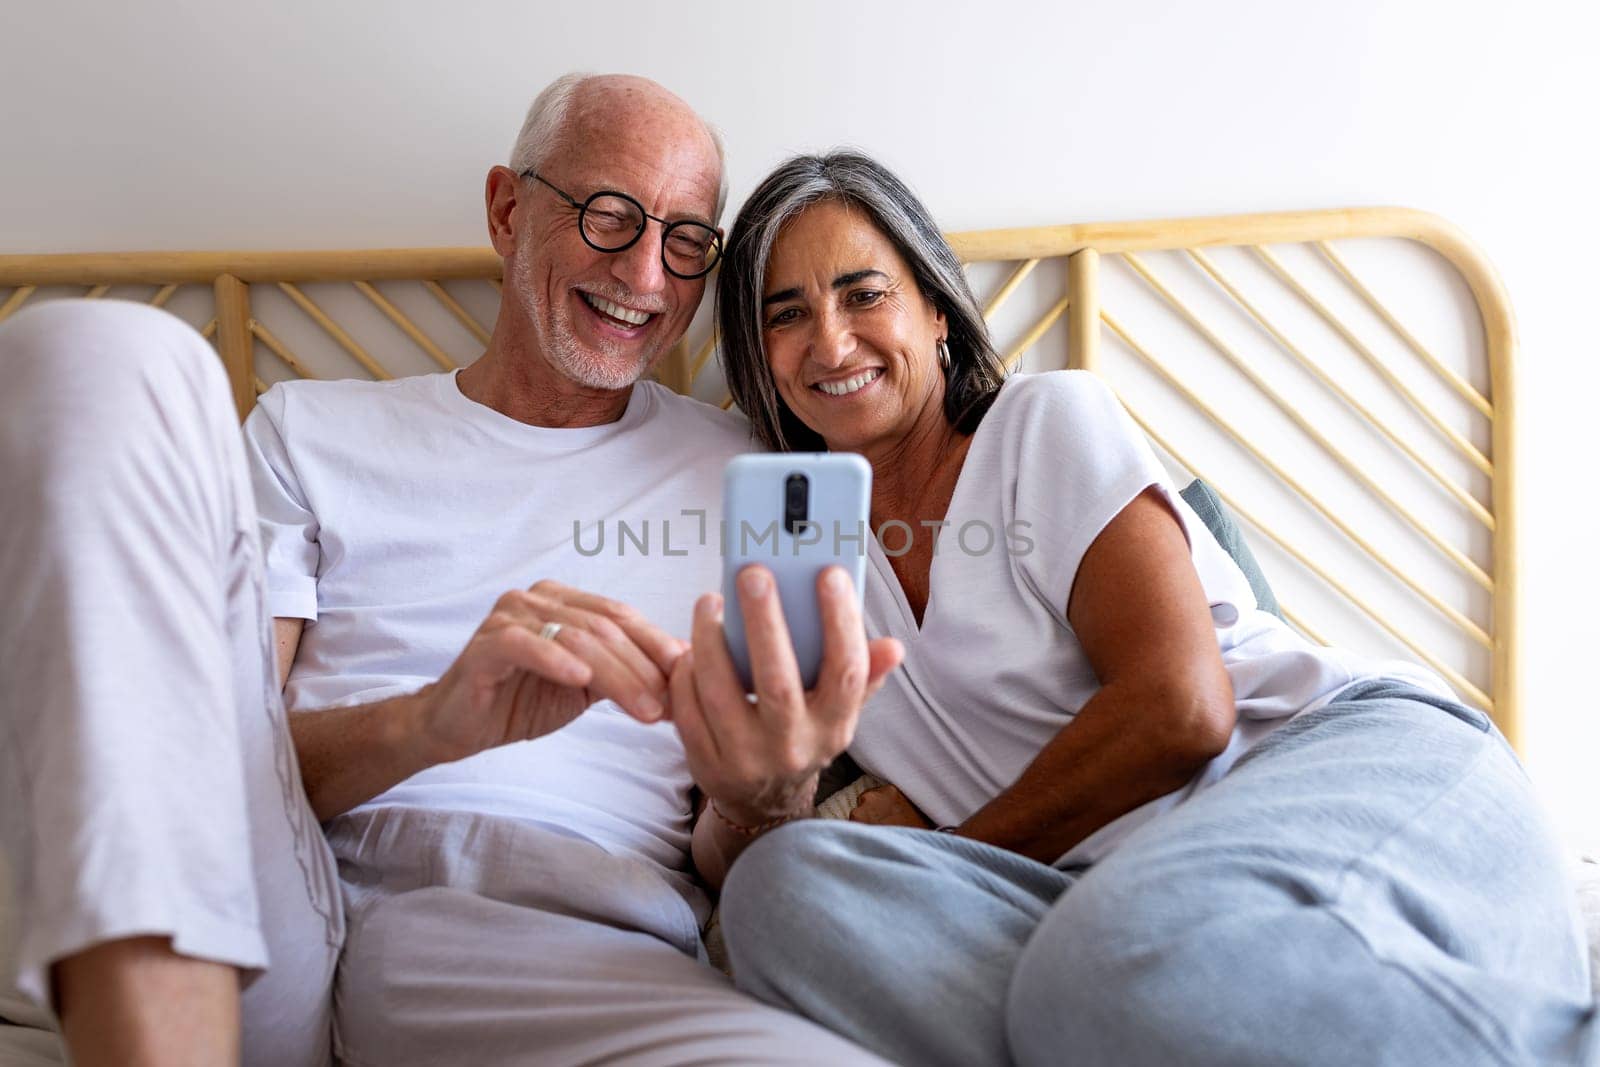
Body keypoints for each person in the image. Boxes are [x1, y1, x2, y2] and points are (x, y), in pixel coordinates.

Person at [0, 77, 900, 1067]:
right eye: (610, 216)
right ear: (507, 211)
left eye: (686, 237)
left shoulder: (750, 480)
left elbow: (726, 848)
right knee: (95, 348)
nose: (647, 274)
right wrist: (429, 722)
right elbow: (195, 754)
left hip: (556, 929)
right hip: (274, 900)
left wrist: (761, 798)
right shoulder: (311, 430)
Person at [696, 150, 1597, 1066]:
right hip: (1092, 894)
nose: (832, 341)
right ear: (759, 355)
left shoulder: (1040, 424)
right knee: (779, 895)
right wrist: (757, 805)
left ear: (934, 309)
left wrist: (955, 849)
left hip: (1318, 764)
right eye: (788, 314)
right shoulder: (798, 547)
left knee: (1103, 964)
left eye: (863, 294)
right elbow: (734, 840)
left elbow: (1183, 708)